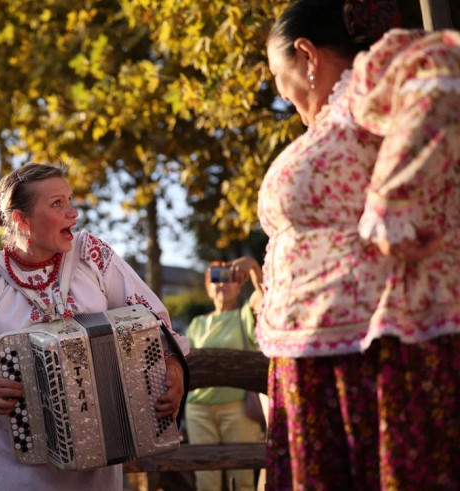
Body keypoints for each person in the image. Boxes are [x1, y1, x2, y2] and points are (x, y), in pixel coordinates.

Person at [260, 1, 460, 488]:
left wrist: (392, 203)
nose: (283, 97)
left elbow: (444, 68)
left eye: (276, 78)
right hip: (320, 356)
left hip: (374, 354)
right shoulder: (336, 116)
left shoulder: (364, 82)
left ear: (306, 55)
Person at [0, 162, 190, 491]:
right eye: (57, 203)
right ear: (22, 220)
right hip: (15, 456)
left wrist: (173, 368)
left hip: (99, 451)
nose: (73, 213)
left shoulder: (92, 256)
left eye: (70, 200)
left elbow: (151, 320)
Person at [184, 257, 264, 491]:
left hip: (238, 408)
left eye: (229, 278)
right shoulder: (197, 323)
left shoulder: (246, 315)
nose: (222, 284)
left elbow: (267, 297)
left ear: (239, 285)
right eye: (216, 279)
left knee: (242, 481)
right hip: (198, 409)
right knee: (206, 481)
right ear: (208, 288)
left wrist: (253, 268)